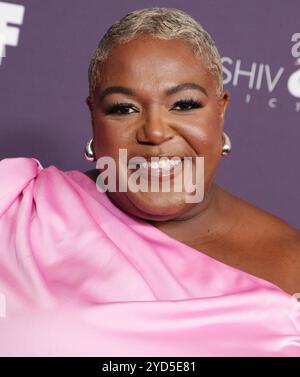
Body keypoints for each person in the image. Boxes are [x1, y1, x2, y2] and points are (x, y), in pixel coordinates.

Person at [0, 7, 299, 357]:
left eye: (184, 104)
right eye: (124, 108)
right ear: (94, 117)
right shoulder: (18, 206)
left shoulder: (291, 267)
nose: (155, 132)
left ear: (221, 110)